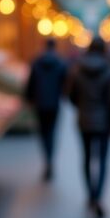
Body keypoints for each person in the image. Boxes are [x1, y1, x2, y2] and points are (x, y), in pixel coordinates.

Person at [68, 36, 110, 218]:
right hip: (104, 121)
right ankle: (99, 195)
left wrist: (82, 106)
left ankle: (90, 194)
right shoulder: (109, 70)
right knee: (102, 159)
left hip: (84, 119)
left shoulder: (77, 70)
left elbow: (71, 95)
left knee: (86, 157)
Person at [25, 38, 67, 181]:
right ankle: (50, 159)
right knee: (52, 132)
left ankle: (47, 159)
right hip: (54, 103)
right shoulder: (60, 63)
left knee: (43, 132)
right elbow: (65, 83)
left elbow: (31, 82)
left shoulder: (36, 62)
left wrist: (29, 99)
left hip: (40, 103)